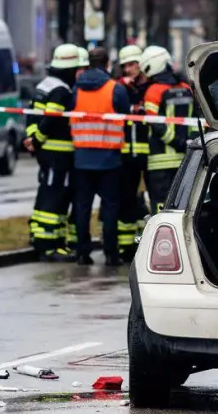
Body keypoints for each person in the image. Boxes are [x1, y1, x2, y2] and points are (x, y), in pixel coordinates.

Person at [68, 47, 133, 266]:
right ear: (107, 64)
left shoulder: (76, 89)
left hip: (82, 158)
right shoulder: (116, 89)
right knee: (110, 207)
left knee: (82, 207)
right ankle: (111, 254)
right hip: (109, 160)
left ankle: (82, 253)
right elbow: (126, 114)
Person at [24, 43, 87, 261]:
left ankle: (40, 236)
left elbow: (31, 116)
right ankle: (50, 245)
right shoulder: (61, 91)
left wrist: (32, 139)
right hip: (57, 155)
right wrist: (39, 140)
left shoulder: (44, 85)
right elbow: (51, 120)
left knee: (46, 194)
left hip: (47, 155)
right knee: (56, 198)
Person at [139, 46, 196, 213]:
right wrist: (190, 142)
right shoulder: (186, 88)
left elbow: (156, 124)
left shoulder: (153, 91)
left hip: (159, 161)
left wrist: (177, 142)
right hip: (186, 158)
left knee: (160, 204)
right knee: (184, 205)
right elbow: (195, 120)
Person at [114, 44, 150, 257]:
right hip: (126, 154)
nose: (130, 69)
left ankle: (143, 241)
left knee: (148, 200)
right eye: (126, 65)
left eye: (133, 64)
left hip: (149, 154)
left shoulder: (150, 86)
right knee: (127, 198)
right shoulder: (120, 88)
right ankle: (126, 246)